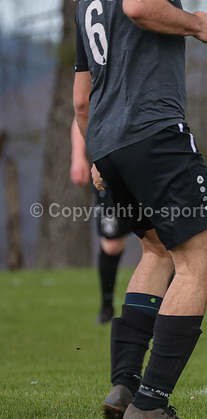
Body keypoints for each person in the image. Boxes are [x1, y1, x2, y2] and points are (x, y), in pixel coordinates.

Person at [74, 0, 207, 419]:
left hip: (110, 144)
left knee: (157, 251)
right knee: (200, 263)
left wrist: (95, 151)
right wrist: (195, 23)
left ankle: (125, 384)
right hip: (154, 134)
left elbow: (81, 99)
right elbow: (139, 4)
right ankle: (152, 404)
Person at [70, 120, 130, 324]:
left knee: (161, 244)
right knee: (112, 245)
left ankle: (164, 308)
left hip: (147, 162)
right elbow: (81, 111)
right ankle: (107, 304)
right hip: (110, 165)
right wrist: (78, 156)